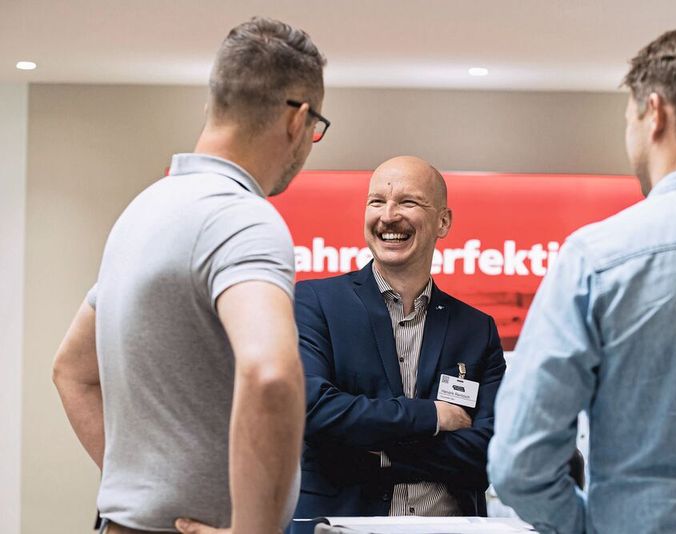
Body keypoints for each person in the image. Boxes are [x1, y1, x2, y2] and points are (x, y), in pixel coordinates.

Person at [489, 27, 676, 534]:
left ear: (654, 113)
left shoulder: (595, 258)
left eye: (629, 117)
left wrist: (590, 525)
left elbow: (519, 462)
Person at [52, 17, 328, 534]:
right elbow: (270, 375)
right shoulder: (243, 217)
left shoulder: (143, 209)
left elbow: (72, 369)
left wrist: (139, 498)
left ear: (213, 105)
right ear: (299, 121)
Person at [293, 156, 506, 521]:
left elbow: (493, 451)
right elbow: (315, 412)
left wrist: (380, 452)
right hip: (342, 526)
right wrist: (432, 416)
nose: (388, 215)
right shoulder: (315, 303)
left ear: (443, 221)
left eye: (408, 202)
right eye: (376, 201)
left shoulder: (476, 329)